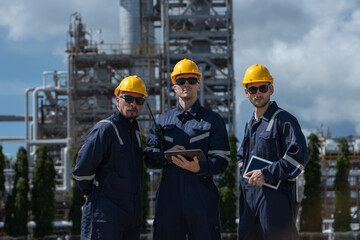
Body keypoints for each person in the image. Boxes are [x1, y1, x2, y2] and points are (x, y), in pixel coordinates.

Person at [144, 58, 230, 240]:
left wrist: (199, 168)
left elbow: (222, 160)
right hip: (169, 198)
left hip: (202, 197)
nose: (186, 85)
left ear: (199, 85)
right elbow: (149, 158)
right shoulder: (161, 121)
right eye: (180, 81)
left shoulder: (213, 120)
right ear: (174, 87)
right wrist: (166, 156)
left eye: (191, 80)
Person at [237, 64, 309, 240]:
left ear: (271, 89)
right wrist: (246, 173)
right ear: (246, 92)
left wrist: (267, 173)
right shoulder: (250, 124)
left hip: (276, 203)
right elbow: (241, 156)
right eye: (252, 89)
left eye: (263, 88)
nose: (258, 93)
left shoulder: (284, 120)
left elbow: (298, 156)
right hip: (250, 200)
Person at [72, 75, 147, 240]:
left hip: (130, 217)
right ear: (117, 99)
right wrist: (88, 190)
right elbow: (82, 169)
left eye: (139, 101)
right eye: (128, 98)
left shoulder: (134, 133)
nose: (133, 104)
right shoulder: (105, 129)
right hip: (105, 215)